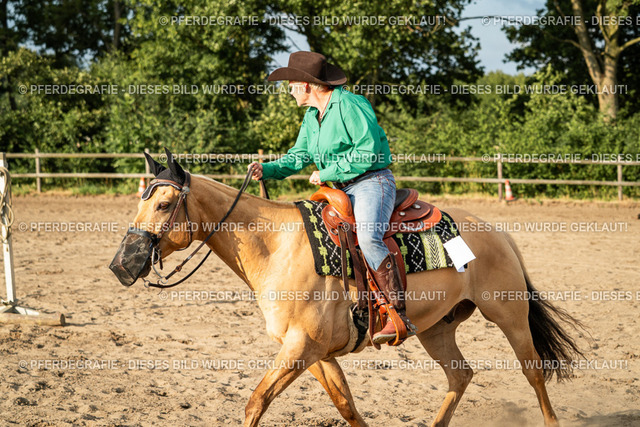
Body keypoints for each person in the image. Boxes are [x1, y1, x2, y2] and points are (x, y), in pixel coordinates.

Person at [248, 51, 417, 344]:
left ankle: (396, 314)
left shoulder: (350, 104)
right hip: (336, 190)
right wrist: (268, 169)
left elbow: (368, 151)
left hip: (370, 182)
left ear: (305, 85)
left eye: (291, 85)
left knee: (369, 238)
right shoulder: (311, 117)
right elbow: (297, 157)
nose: (289, 90)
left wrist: (328, 170)